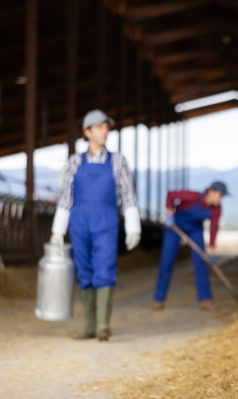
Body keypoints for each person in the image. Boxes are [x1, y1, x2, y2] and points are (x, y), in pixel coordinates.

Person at [50, 109, 141, 342]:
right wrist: (57, 231)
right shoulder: (74, 162)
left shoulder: (118, 161)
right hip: (79, 221)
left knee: (105, 267)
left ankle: (103, 325)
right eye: (100, 127)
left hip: (106, 221)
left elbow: (129, 195)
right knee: (84, 270)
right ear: (87, 132)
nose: (105, 131)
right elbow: (65, 198)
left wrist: (133, 226)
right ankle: (89, 326)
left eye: (106, 127)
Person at [153, 181, 228, 311]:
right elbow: (170, 195)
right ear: (211, 191)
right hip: (175, 226)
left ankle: (205, 299)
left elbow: (214, 228)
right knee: (167, 262)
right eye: (220, 195)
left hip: (195, 230)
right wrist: (170, 214)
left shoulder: (217, 209)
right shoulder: (193, 196)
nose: (221, 199)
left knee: (201, 262)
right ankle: (159, 299)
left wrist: (211, 250)